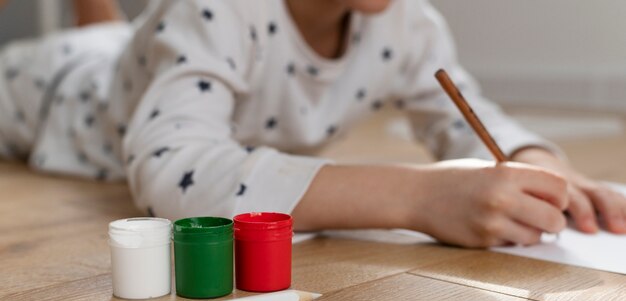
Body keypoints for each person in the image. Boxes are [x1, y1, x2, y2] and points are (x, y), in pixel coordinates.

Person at [0, 0, 624, 248]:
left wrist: (540, 163)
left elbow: (466, 116)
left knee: (118, 44)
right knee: (93, 54)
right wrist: (418, 194)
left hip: (133, 59)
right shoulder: (217, 7)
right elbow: (176, 173)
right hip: (52, 92)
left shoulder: (410, 25)